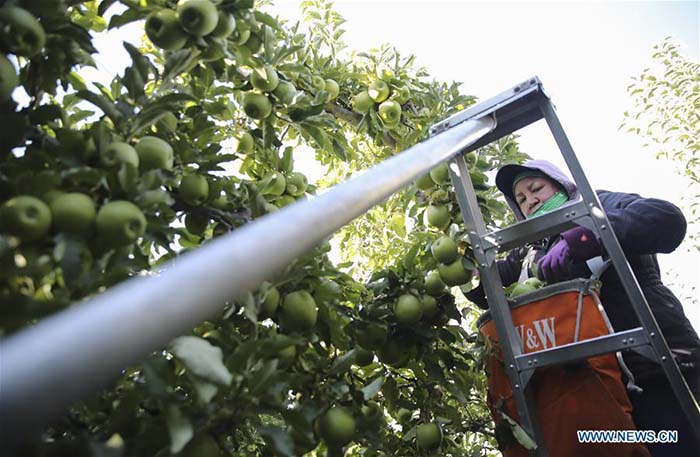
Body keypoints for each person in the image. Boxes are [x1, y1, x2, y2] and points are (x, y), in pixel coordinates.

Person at [466, 159, 700, 456]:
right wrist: (464, 265)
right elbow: (488, 282)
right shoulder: (528, 252)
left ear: (562, 184)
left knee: (670, 445)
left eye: (537, 188)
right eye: (521, 199)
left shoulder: (598, 203)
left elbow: (666, 219)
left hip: (652, 372)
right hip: (595, 392)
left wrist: (588, 234)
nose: (530, 201)